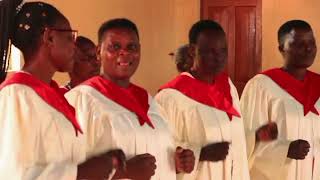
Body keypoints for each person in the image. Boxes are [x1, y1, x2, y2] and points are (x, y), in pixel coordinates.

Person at [0, 1, 123, 179]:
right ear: (49, 37)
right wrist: (82, 173)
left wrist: (103, 160)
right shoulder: (16, 96)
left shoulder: (51, 96)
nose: (75, 46)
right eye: (69, 37)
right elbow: (13, 174)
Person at [66, 18, 195, 180]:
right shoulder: (81, 100)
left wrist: (175, 162)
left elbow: (155, 154)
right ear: (98, 52)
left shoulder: (149, 101)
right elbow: (65, 172)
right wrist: (123, 172)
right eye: (115, 47)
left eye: (131, 47)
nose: (124, 53)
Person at [155, 20, 250, 180]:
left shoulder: (228, 86)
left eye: (223, 51)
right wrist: (201, 153)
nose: (219, 57)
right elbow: (159, 153)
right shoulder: (170, 97)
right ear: (193, 51)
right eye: (211, 51)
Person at [240, 19, 320, 180]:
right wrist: (284, 150)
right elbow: (245, 138)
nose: (308, 48)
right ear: (282, 48)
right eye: (299, 44)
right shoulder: (261, 86)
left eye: (312, 42)